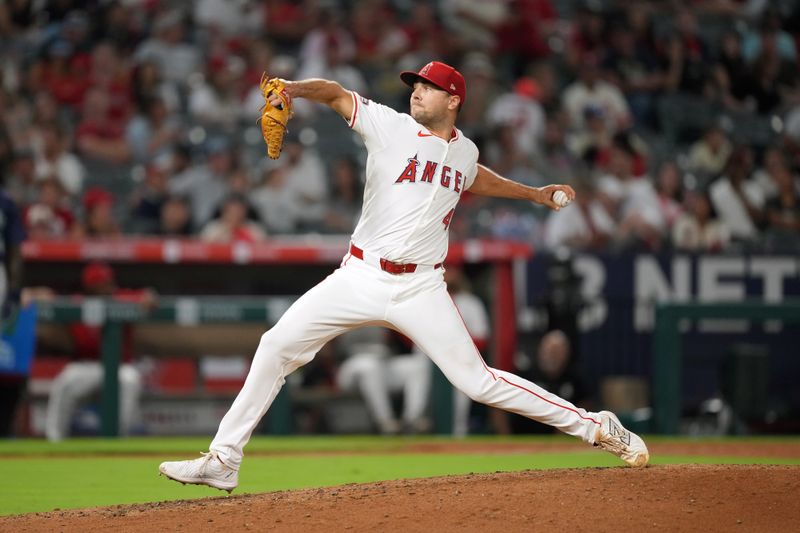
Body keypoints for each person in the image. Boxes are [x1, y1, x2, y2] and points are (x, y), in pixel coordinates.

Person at [159, 61, 649, 493]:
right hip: (359, 276)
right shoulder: (388, 126)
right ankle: (223, 460)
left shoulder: (464, 151)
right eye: (414, 85)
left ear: (453, 99)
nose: (416, 91)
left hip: (421, 288)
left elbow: (476, 177)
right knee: (275, 345)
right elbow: (333, 91)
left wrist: (534, 195)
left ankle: (598, 427)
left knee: (477, 383)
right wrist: (291, 87)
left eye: (428, 87)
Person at [35, 262, 156, 441]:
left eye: (109, 281)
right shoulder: (77, 302)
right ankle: (55, 442)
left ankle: (117, 439)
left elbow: (147, 296)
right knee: (64, 384)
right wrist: (41, 296)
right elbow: (49, 299)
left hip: (119, 366)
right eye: (102, 283)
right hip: (86, 365)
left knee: (131, 379)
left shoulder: (122, 298)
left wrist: (149, 297)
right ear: (90, 286)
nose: (108, 286)